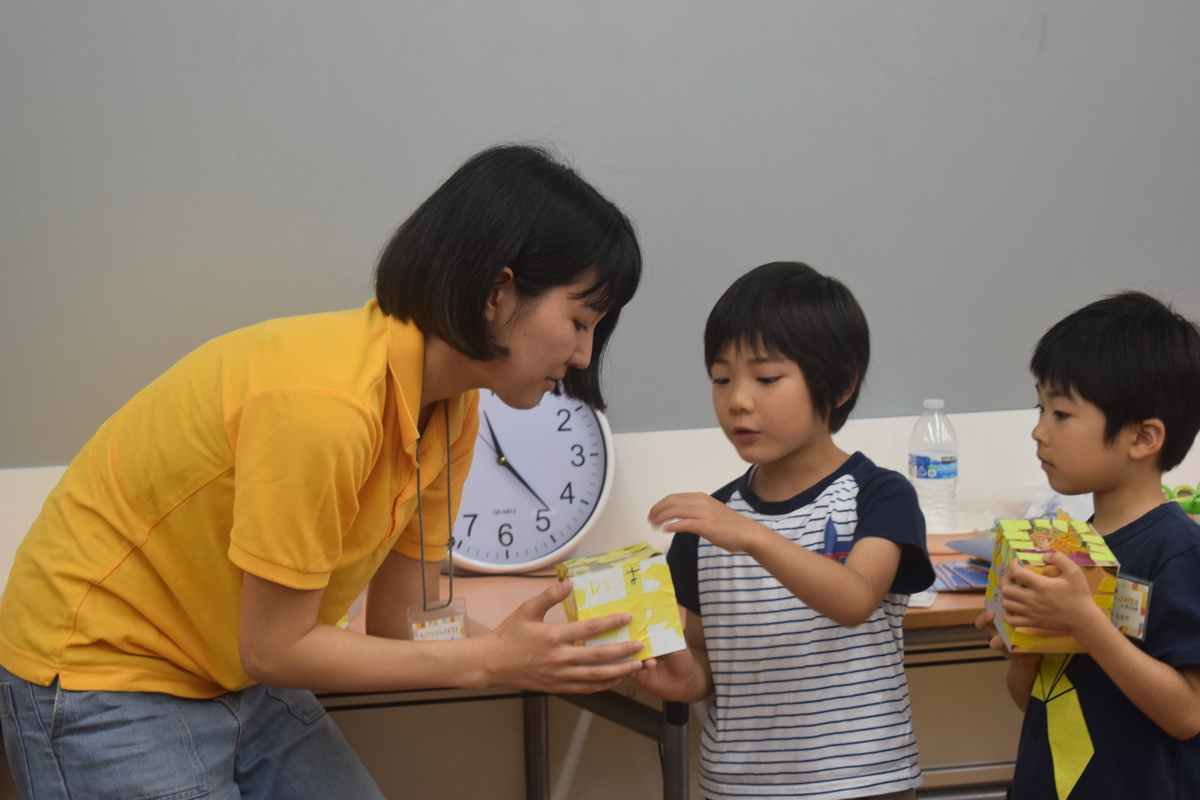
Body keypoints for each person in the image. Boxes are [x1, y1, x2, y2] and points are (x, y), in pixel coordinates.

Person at [0, 143, 644, 800]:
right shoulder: (325, 405)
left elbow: (406, 619)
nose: (584, 353)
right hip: (104, 672)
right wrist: (487, 661)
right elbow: (275, 649)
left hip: (230, 668)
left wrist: (538, 653)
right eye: (579, 321)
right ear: (497, 293)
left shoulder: (451, 412)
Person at [634, 262, 935, 800]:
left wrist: (752, 535)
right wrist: (683, 678)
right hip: (738, 786)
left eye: (767, 378)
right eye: (721, 379)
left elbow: (855, 599)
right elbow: (711, 656)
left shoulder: (878, 495)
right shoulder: (709, 525)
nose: (737, 400)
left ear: (841, 385)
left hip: (861, 784)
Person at [975, 291, 1200, 799]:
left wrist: (1084, 622)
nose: (1039, 431)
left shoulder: (1180, 553)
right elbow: (1034, 702)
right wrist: (1021, 648)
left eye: (1061, 413)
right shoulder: (1072, 543)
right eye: (1040, 408)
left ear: (1143, 438)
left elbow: (1188, 714)